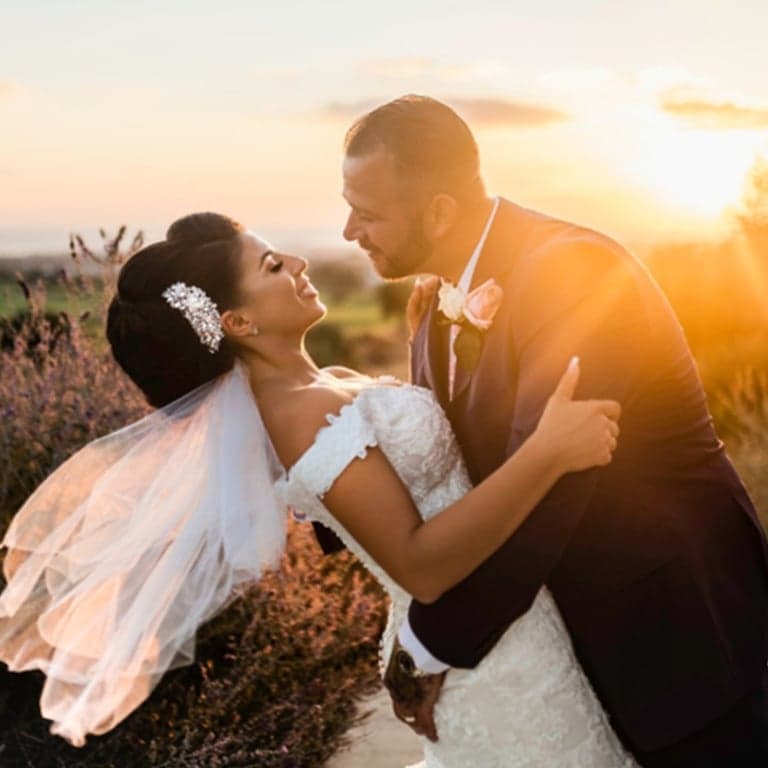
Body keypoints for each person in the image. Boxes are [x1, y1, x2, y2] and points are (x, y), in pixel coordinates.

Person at [0, 213, 625, 760]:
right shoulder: (302, 411)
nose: (299, 262)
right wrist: (546, 453)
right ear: (238, 320)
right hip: (493, 663)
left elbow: (410, 469)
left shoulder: (319, 387)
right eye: (273, 265)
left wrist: (424, 347)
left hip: (508, 627)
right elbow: (421, 566)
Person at [339, 94, 768, 767]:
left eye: (366, 214)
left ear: (441, 211)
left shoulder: (574, 273)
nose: (348, 232)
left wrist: (431, 644)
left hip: (680, 638)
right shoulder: (433, 302)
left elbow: (550, 491)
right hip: (566, 646)